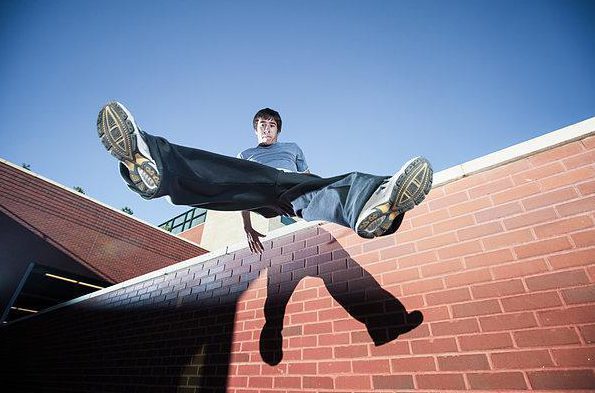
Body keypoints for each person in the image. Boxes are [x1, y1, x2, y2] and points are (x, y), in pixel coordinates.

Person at [96, 102, 433, 252]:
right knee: (218, 173)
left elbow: (306, 174)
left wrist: (311, 184)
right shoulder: (246, 156)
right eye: (262, 125)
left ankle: (369, 204)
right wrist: (246, 226)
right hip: (254, 189)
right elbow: (232, 193)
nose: (266, 128)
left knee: (318, 188)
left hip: (287, 188)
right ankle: (153, 166)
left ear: (278, 130)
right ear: (256, 129)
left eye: (271, 125)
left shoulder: (293, 147)